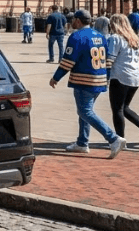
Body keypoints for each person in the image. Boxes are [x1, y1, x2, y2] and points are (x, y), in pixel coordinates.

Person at [49, 9, 126, 158]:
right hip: (99, 79)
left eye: (73, 19)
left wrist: (56, 77)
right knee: (85, 110)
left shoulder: (76, 36)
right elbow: (106, 61)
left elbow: (68, 61)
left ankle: (113, 138)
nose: (71, 22)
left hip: (84, 80)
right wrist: (107, 78)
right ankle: (82, 142)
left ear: (78, 20)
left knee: (85, 111)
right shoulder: (100, 36)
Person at [106, 14, 139, 146]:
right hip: (134, 77)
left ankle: (120, 139)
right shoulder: (134, 39)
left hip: (119, 77)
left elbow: (110, 59)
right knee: (124, 107)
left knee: (117, 109)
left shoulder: (115, 38)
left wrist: (105, 78)